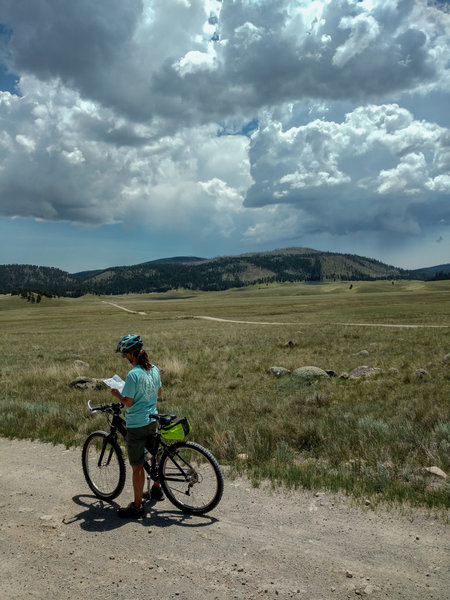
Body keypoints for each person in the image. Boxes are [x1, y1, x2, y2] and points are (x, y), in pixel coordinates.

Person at [111, 334, 164, 518]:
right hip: (152, 419)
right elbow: (158, 391)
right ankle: (157, 489)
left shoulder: (133, 374)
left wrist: (117, 394)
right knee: (154, 454)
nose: (124, 358)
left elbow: (129, 402)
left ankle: (137, 505)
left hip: (137, 424)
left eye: (125, 355)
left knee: (137, 466)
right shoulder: (154, 369)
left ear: (132, 354)